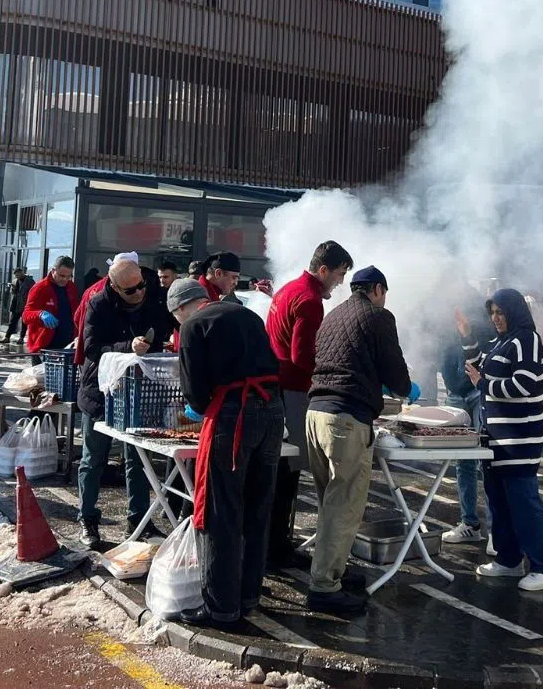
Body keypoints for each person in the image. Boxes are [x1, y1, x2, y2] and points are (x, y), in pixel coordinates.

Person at [170, 277, 284, 628]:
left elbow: (194, 391)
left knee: (222, 510)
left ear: (180, 308)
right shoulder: (246, 314)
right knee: (257, 505)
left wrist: (198, 408)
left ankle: (220, 607)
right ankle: (249, 595)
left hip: (234, 415)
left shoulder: (192, 326)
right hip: (272, 410)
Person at [306, 266, 415, 614]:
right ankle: (324, 587)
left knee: (329, 502)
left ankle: (333, 569)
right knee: (346, 504)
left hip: (315, 414)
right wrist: (405, 388)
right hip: (346, 419)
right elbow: (394, 370)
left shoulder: (334, 315)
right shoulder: (378, 316)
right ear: (378, 289)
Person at [264, 240, 353, 569]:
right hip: (293, 390)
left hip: (276, 384)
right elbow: (303, 356)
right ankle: (277, 546)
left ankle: (273, 543)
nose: (340, 282)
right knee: (287, 470)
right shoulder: (310, 299)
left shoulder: (288, 289)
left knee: (279, 468)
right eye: (340, 274)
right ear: (324, 269)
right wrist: (331, 371)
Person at [462, 288, 543, 591]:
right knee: (499, 501)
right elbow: (479, 366)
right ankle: (508, 559)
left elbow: (526, 386)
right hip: (495, 439)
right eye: (492, 313)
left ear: (514, 312)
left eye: (500, 312)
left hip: (519, 439)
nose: (495, 318)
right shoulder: (500, 342)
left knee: (523, 503)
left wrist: (485, 384)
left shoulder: (526, 340)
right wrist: (468, 339)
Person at [75, 259, 175, 547]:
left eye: (141, 285)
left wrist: (153, 344)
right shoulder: (98, 303)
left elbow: (162, 329)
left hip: (138, 388)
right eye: (131, 291)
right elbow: (92, 347)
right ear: (115, 287)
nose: (139, 293)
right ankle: (88, 518)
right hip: (100, 389)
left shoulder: (152, 295)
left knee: (138, 459)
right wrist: (126, 347)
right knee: (93, 458)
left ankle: (139, 518)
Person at [441, 292, 496, 545]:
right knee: (463, 462)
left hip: (477, 391)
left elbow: (485, 350)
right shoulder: (439, 312)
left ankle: (497, 531)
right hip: (455, 393)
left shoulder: (477, 307)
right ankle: (470, 523)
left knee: (487, 460)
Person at [23, 256, 80, 362]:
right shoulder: (40, 288)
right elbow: (26, 315)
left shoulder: (71, 287)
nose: (65, 279)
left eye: (68, 276)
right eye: (61, 275)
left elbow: (76, 312)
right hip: (43, 347)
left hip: (66, 345)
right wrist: (40, 314)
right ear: (53, 270)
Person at [2, 268, 35, 344]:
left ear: (22, 273)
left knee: (24, 323)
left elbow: (33, 293)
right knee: (12, 321)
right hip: (16, 304)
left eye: (18, 275)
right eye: (16, 275)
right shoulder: (15, 281)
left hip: (25, 304)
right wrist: (12, 288)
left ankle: (21, 338)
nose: (17, 277)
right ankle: (7, 337)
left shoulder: (30, 281)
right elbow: (13, 293)